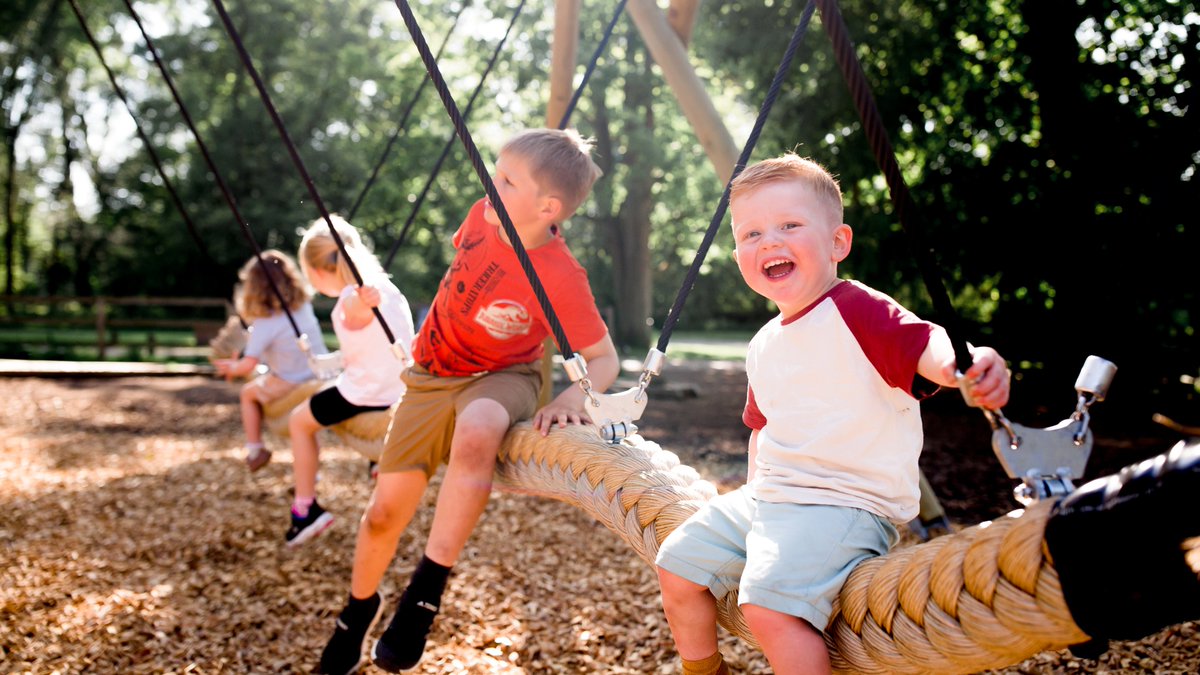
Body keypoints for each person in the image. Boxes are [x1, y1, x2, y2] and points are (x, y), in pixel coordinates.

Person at [654, 154, 1011, 675]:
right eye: (752, 233)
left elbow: (927, 345)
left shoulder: (856, 308)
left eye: (789, 225)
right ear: (737, 256)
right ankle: (705, 670)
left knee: (769, 608)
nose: (769, 242)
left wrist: (967, 363)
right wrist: (756, 500)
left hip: (846, 503)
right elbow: (762, 428)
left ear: (838, 243)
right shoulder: (764, 343)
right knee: (677, 567)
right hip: (772, 499)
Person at [316, 128, 620, 675]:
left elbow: (604, 359)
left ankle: (425, 592)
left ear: (547, 208)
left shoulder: (560, 275)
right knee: (383, 516)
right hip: (431, 374)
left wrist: (571, 397)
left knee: (478, 427)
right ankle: (358, 610)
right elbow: (460, 283)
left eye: (506, 180)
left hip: (503, 375)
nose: (489, 185)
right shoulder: (483, 215)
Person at [287, 215, 415, 547]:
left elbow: (353, 309)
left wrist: (361, 301)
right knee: (338, 387)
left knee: (299, 422)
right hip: (400, 390)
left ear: (316, 272)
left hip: (366, 396)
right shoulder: (387, 286)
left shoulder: (351, 296)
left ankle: (305, 509)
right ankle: (376, 462)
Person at [213, 250, 328, 473]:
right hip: (319, 373)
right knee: (309, 430)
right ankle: (313, 476)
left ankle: (255, 448)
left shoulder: (265, 322)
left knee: (248, 394)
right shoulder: (304, 307)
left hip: (290, 380)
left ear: (254, 287)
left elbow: (248, 365)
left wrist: (233, 368)